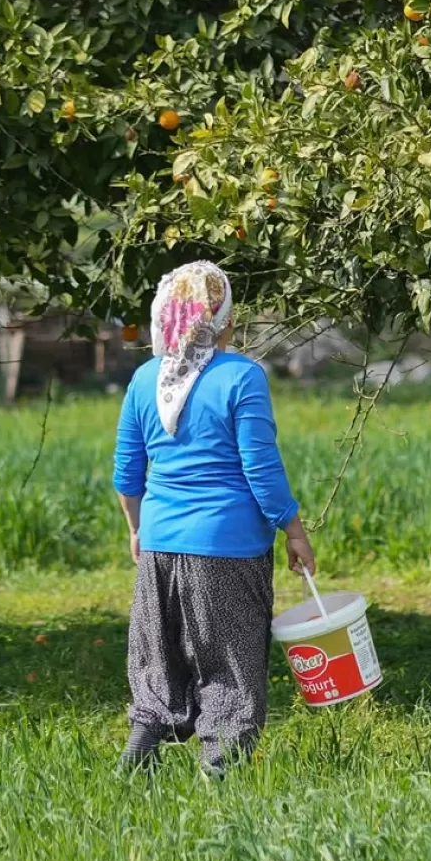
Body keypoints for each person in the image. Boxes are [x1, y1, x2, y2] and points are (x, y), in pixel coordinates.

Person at [112, 261, 314, 777]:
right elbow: (261, 469)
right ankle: (220, 771)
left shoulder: (142, 380)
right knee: (228, 659)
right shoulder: (242, 376)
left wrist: (137, 529)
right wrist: (292, 528)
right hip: (227, 547)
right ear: (223, 321)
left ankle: (143, 741)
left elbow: (127, 471)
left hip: (160, 542)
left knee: (159, 654)